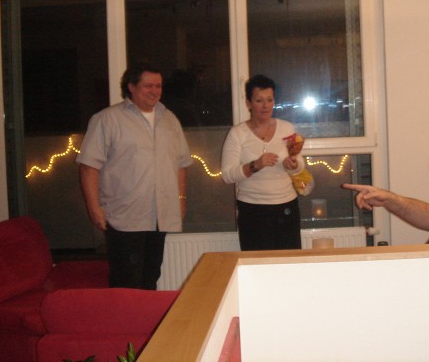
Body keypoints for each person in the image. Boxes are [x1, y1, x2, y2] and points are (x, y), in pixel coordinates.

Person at [77, 63, 193, 289]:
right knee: (126, 282)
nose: (155, 91)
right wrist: (94, 208)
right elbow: (89, 166)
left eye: (158, 86)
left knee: (151, 276)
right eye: (148, 85)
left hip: (159, 215)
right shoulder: (107, 119)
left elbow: (181, 164)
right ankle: (123, 315)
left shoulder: (169, 119)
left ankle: (146, 314)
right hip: (124, 217)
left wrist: (180, 199)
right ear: (131, 86)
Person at [221, 74, 305, 251]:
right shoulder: (237, 133)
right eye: (259, 100)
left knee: (290, 263)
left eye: (269, 100)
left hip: (286, 207)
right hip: (252, 210)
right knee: (257, 263)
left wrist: (293, 165)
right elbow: (227, 175)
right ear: (248, 103)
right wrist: (255, 165)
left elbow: (299, 163)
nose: (266, 106)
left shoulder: (287, 128)